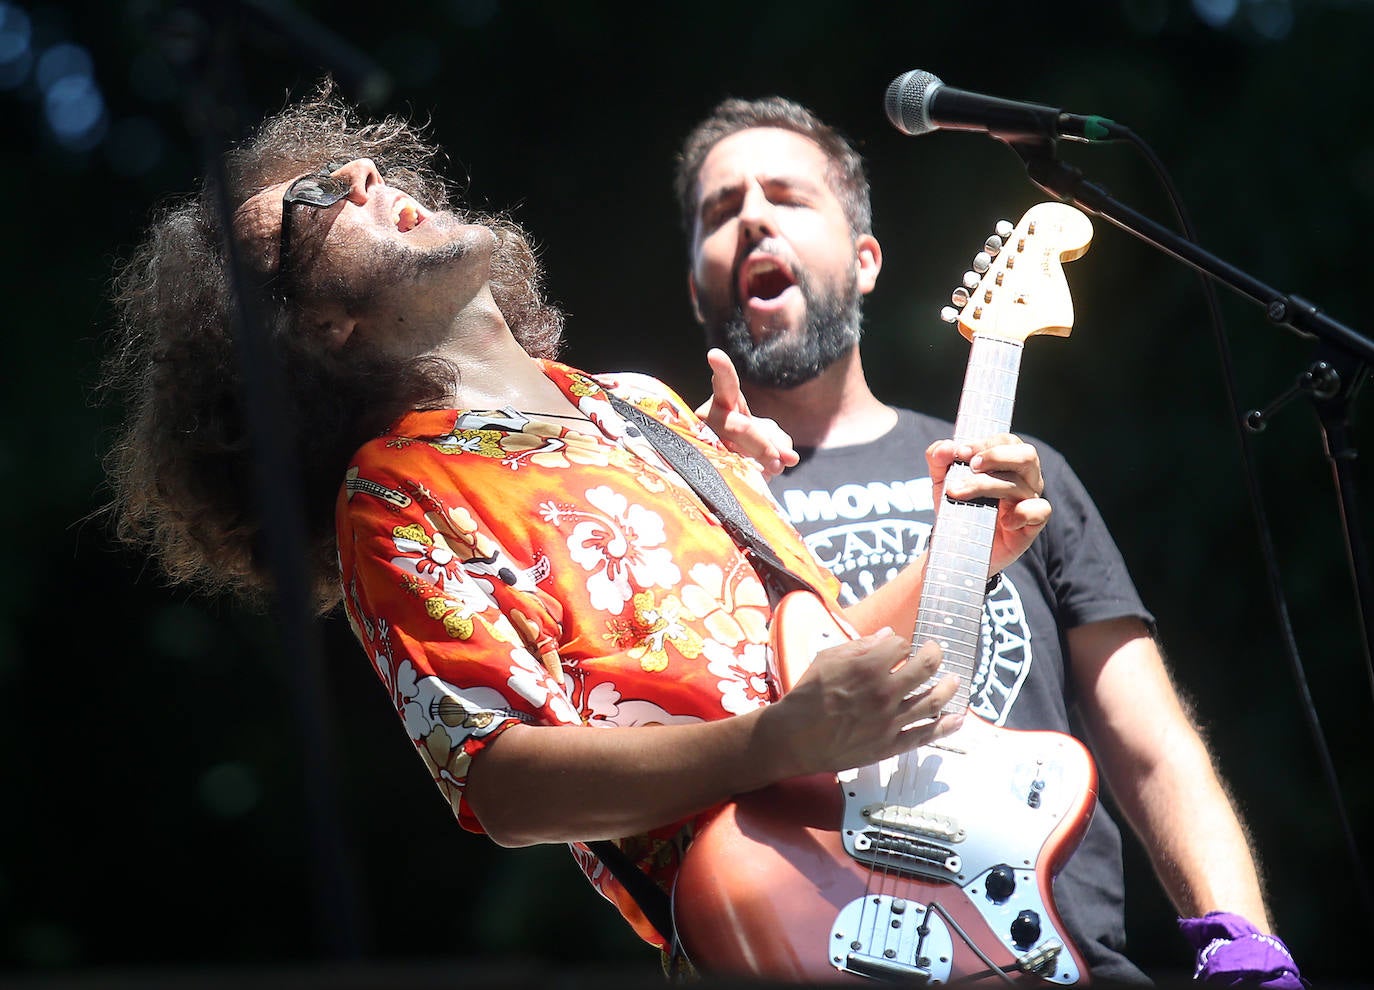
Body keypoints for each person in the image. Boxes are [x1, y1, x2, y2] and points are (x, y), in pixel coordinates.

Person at [99, 84, 1053, 975]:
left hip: (903, 890)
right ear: (315, 329)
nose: (363, 174)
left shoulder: (640, 406)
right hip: (769, 923)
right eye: (318, 199)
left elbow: (830, 672)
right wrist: (773, 742)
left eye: (367, 169)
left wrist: (966, 553)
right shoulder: (392, 493)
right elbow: (501, 786)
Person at [676, 95, 1305, 986]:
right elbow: (716, 745)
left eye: (786, 195)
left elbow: (1152, 745)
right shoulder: (684, 504)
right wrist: (948, 562)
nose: (751, 219)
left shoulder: (1025, 475)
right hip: (816, 950)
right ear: (694, 282)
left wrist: (1243, 936)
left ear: (866, 261)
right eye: (719, 210)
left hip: (1054, 954)